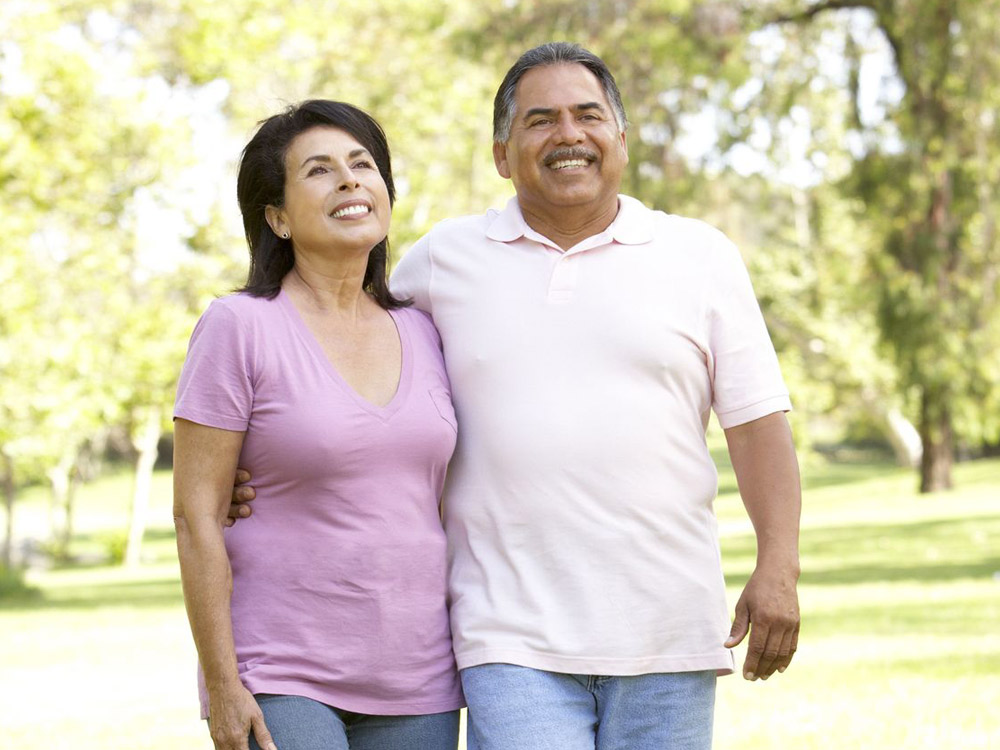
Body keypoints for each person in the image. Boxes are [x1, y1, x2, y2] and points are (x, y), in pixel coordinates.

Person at [233, 43, 801, 750]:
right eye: (540, 120)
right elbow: (337, 348)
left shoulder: (700, 255)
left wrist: (778, 566)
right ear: (503, 153)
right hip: (507, 637)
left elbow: (756, 424)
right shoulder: (443, 261)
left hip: (670, 634)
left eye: (588, 115)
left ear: (620, 139)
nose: (568, 135)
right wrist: (254, 470)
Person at [172, 99, 463, 750]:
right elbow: (196, 514)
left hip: (420, 677)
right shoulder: (238, 327)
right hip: (280, 669)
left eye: (363, 164)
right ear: (275, 216)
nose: (350, 180)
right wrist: (223, 684)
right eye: (320, 170)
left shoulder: (426, 329)